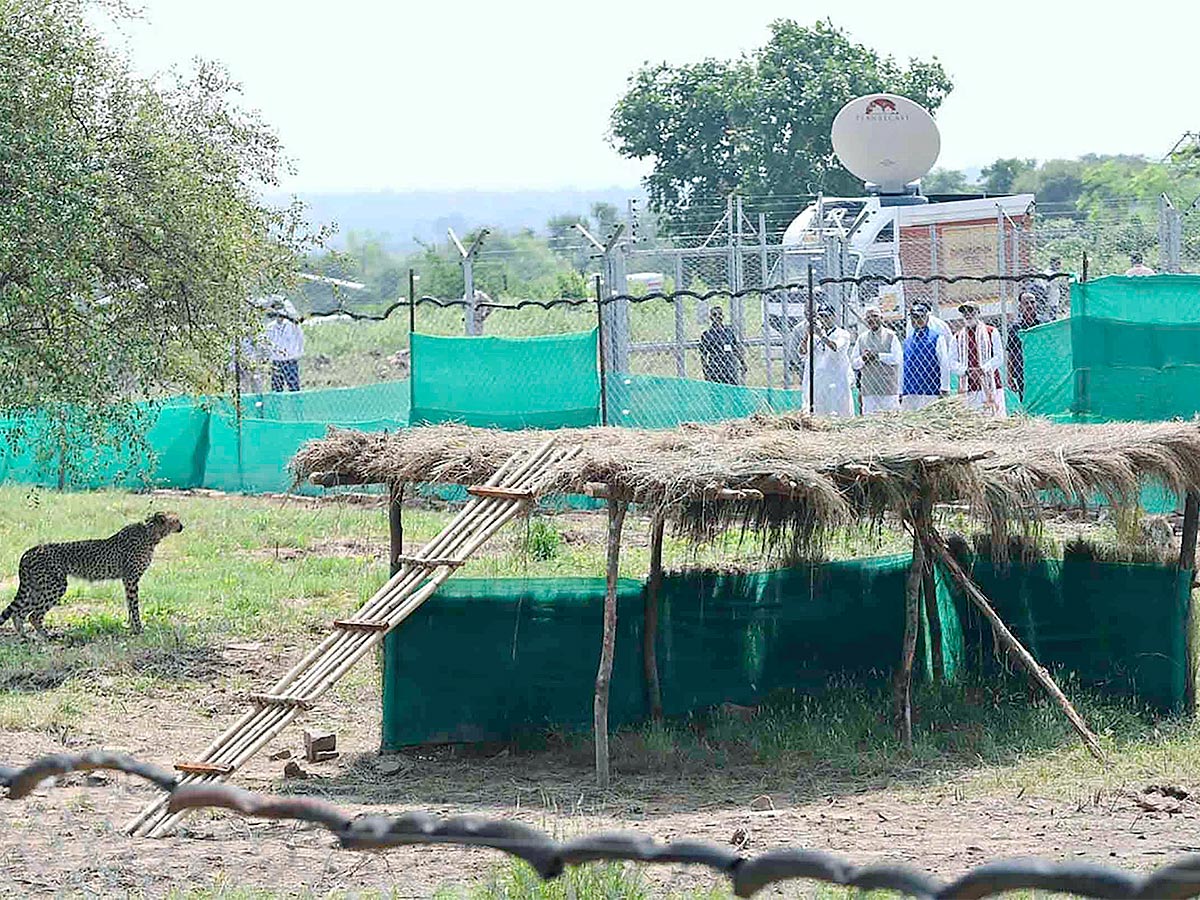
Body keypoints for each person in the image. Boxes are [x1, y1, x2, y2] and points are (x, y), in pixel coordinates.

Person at [953, 300, 1006, 417]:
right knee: (972, 420)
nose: (968, 314)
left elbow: (999, 357)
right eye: (964, 312)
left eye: (971, 311)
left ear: (978, 313)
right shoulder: (957, 336)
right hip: (968, 386)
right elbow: (952, 362)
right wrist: (967, 370)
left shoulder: (991, 332)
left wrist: (983, 369)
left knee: (996, 418)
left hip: (991, 383)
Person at [799, 304, 854, 416]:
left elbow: (835, 347)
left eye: (827, 316)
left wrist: (822, 335)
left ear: (834, 317)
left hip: (837, 378)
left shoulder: (842, 334)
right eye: (821, 317)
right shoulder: (814, 336)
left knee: (839, 411)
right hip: (820, 378)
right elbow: (802, 352)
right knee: (819, 410)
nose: (824, 320)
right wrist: (807, 335)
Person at [851, 305, 903, 413]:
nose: (871, 319)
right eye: (868, 317)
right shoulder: (862, 338)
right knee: (870, 421)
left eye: (874, 316)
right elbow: (854, 363)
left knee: (890, 420)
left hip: (888, 389)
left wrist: (878, 356)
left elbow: (897, 359)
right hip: (869, 390)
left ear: (881, 318)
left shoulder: (891, 336)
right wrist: (864, 359)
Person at [900, 302, 951, 411]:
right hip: (910, 390)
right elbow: (902, 367)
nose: (917, 320)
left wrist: (945, 388)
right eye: (914, 317)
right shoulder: (907, 341)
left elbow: (944, 363)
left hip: (930, 389)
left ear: (927, 318)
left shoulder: (936, 338)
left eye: (920, 317)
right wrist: (900, 390)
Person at [264, 297, 304, 392]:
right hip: (277, 361)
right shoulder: (270, 327)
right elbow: (266, 343)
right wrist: (268, 356)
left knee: (294, 387)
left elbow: (300, 338)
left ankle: (296, 405)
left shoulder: (293, 325)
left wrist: (298, 353)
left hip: (290, 360)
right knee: (276, 388)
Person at [698, 306, 744, 384]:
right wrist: (706, 371)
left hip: (729, 369)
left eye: (720, 314)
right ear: (711, 317)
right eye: (715, 315)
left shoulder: (728, 332)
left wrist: (742, 363)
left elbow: (735, 348)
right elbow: (703, 355)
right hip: (715, 370)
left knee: (732, 391)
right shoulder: (707, 335)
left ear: (723, 316)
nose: (718, 317)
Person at [1007, 291, 1039, 401]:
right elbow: (1011, 354)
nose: (1030, 305)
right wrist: (1010, 377)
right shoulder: (1015, 328)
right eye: (1026, 303)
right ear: (1020, 307)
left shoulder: (1044, 324)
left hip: (1041, 371)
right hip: (1022, 372)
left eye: (1032, 302)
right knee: (1025, 400)